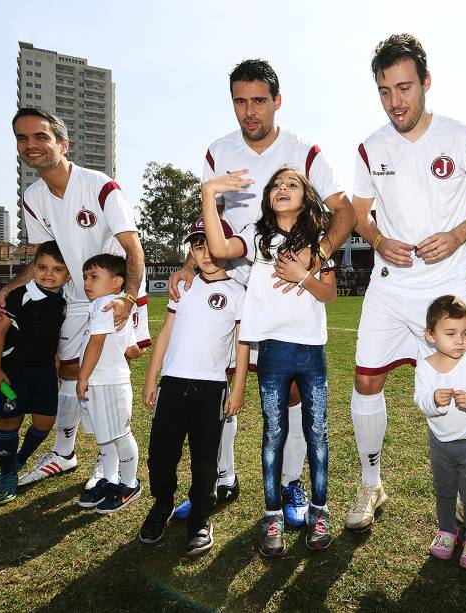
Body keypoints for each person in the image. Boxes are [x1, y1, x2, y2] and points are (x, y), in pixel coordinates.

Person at [169, 58, 355, 528]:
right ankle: (219, 479)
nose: (248, 111)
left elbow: (344, 210)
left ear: (277, 100)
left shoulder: (304, 152)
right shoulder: (218, 151)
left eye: (258, 100)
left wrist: (315, 257)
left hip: (285, 288)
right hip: (231, 277)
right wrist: (192, 261)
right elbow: (212, 220)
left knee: (290, 390)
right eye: (239, 101)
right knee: (216, 379)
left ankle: (292, 482)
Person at [348, 33, 466, 548]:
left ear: (426, 82)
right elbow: (358, 210)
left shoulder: (464, 137)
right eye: (384, 91)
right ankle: (371, 485)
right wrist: (375, 237)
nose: (395, 101)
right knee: (366, 381)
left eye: (404, 87)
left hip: (447, 287)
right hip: (390, 288)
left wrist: (459, 233)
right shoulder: (370, 147)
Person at [0, 108, 149, 491]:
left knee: (105, 374)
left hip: (113, 293)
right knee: (68, 371)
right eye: (22, 138)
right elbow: (44, 255)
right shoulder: (32, 196)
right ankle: (65, 453)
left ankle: (109, 458)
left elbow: (133, 249)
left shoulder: (99, 186)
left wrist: (127, 299)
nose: (31, 145)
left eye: (40, 137)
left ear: (62, 144)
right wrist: (11, 286)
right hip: (76, 296)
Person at [200, 166, 337, 556]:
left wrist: (301, 275)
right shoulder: (257, 237)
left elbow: (328, 295)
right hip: (274, 350)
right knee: (273, 433)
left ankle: (320, 511)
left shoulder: (318, 241)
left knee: (318, 432)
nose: (282, 188)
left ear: (306, 196)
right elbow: (219, 248)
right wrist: (208, 194)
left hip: (311, 349)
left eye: (292, 184)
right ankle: (272, 514)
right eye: (276, 184)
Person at [138, 218, 248, 556]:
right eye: (198, 246)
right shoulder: (182, 286)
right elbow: (167, 332)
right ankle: (163, 504)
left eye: (212, 244)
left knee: (204, 459)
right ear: (192, 252)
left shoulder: (237, 292)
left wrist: (239, 386)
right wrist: (151, 377)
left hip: (212, 387)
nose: (206, 252)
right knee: (161, 453)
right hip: (172, 383)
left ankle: (200, 515)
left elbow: (242, 343)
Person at [414, 296, 466, 571]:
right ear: (431, 335)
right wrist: (433, 401)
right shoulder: (425, 366)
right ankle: (447, 532)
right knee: (444, 491)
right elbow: (420, 399)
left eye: (465, 333)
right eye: (450, 334)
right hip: (440, 443)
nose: (459, 340)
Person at [0, 241, 68, 504]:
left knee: (45, 422)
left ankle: (19, 459)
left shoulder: (63, 300)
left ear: (68, 275)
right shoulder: (19, 296)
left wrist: (55, 363)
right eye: (42, 267)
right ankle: (8, 473)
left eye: (57, 269)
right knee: (10, 421)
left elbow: (54, 336)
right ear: (33, 268)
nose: (48, 274)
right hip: (12, 374)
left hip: (43, 373)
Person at [74, 254, 144, 514]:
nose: (87, 282)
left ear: (117, 282)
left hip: (109, 384)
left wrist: (82, 377)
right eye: (85, 277)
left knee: (119, 435)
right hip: (101, 382)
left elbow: (96, 343)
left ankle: (129, 484)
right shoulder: (113, 306)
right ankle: (111, 479)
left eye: (94, 277)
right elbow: (133, 348)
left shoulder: (104, 305)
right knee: (106, 436)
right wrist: (134, 351)